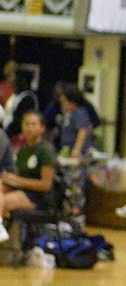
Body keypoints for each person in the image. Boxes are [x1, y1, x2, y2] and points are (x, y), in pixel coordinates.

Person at [0, 112, 56, 243]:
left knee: (3, 201)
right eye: (26, 124)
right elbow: (17, 176)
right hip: (22, 191)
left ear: (42, 128)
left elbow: (46, 185)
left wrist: (16, 180)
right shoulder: (23, 150)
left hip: (40, 197)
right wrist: (8, 179)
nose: (30, 128)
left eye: (34, 124)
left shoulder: (45, 150)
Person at [58, 84, 94, 157]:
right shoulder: (68, 113)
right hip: (67, 151)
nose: (62, 104)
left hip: (79, 154)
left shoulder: (79, 113)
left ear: (72, 102)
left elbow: (82, 130)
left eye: (64, 101)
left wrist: (77, 149)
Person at [4, 69, 38, 139]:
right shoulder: (16, 95)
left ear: (23, 81)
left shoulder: (28, 99)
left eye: (15, 78)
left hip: (18, 138)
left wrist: (5, 134)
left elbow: (19, 122)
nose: (13, 81)